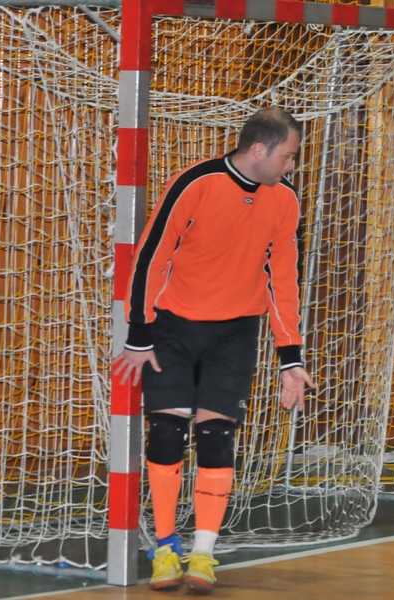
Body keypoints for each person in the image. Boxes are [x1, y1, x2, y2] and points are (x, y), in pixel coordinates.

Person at [112, 107, 316, 594]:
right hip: (172, 328)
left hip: (235, 333)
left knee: (217, 435)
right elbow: (150, 256)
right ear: (259, 149)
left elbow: (283, 279)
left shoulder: (285, 199)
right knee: (166, 431)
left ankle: (203, 554)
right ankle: (166, 549)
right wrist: (139, 332)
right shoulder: (195, 183)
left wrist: (290, 357)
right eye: (288, 156)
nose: (292, 165)